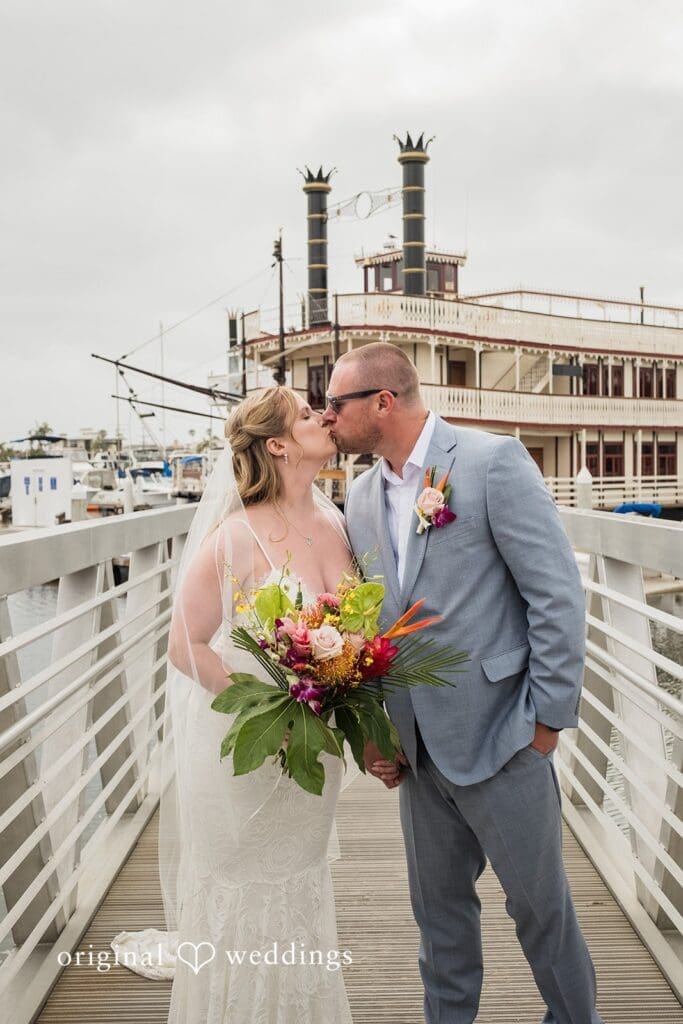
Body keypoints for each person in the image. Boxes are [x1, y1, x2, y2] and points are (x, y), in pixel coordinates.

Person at [322, 342, 604, 1024]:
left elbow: (555, 595)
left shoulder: (489, 462)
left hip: (504, 735)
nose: (326, 417)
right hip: (417, 755)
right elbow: (368, 625)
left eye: (336, 403)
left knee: (541, 914)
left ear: (381, 402)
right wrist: (373, 732)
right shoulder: (358, 497)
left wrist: (545, 724)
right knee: (439, 924)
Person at [120, 387, 354, 1023]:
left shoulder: (336, 523)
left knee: (299, 886)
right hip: (246, 751)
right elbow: (183, 643)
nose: (324, 419)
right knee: (240, 889)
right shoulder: (234, 536)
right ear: (277, 444)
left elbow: (357, 634)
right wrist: (262, 716)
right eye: (307, 416)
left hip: (315, 745)